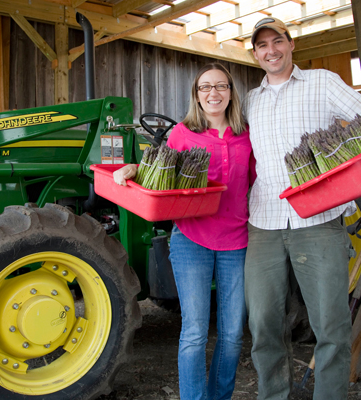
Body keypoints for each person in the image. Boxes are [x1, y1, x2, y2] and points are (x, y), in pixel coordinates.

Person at [242, 17, 361, 400]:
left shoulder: (322, 82)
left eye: (277, 41)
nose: (271, 50)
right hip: (263, 222)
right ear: (255, 53)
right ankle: (273, 395)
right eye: (262, 45)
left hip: (318, 220)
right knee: (263, 323)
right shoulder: (250, 100)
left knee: (330, 323)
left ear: (290, 43)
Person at [113, 63, 255, 400]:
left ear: (231, 93)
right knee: (194, 332)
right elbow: (157, 172)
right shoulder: (182, 134)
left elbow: (256, 181)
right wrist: (133, 167)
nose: (213, 93)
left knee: (233, 334)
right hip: (192, 241)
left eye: (221, 86)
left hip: (237, 241)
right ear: (196, 95)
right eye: (205, 87)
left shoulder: (247, 134)